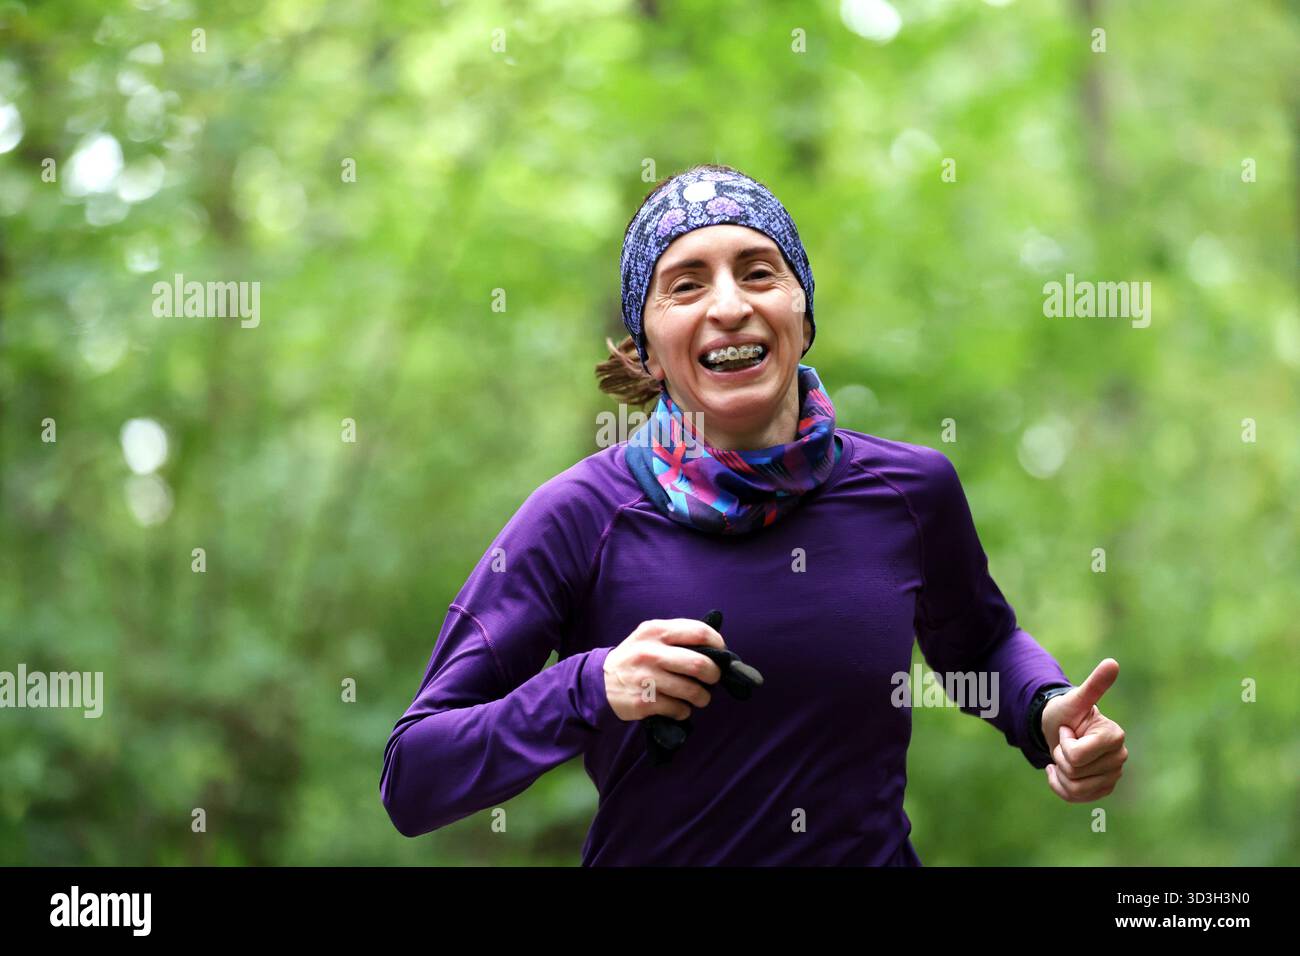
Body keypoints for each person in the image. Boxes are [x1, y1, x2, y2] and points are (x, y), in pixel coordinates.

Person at [379, 163, 1128, 865]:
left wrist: (1046, 712)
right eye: (685, 284)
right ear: (647, 349)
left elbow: (981, 646)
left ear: (802, 317)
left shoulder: (910, 491)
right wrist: (590, 686)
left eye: (759, 272)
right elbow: (415, 776)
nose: (730, 306)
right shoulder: (580, 516)